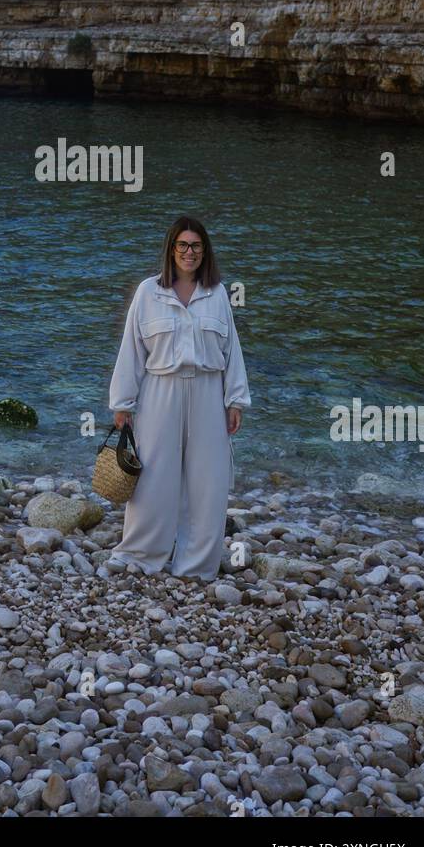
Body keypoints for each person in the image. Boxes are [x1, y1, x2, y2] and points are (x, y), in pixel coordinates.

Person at [106, 216, 251, 581]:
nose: (190, 252)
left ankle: (196, 565)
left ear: (205, 252)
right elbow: (132, 350)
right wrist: (123, 403)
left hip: (207, 392)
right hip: (160, 390)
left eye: (196, 246)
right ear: (172, 249)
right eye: (183, 245)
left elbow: (232, 349)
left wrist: (235, 400)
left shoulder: (217, 293)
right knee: (153, 475)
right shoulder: (148, 292)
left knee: (209, 481)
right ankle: (140, 554)